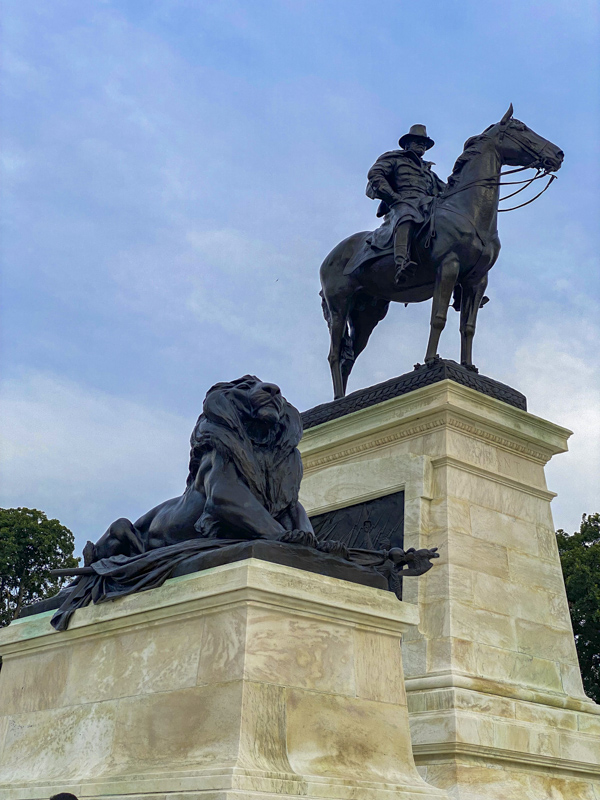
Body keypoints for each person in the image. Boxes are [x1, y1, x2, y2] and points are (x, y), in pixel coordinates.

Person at [366, 125, 446, 284]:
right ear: (407, 144)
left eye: (424, 142)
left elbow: (445, 190)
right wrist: (393, 196)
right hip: (401, 202)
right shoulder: (395, 159)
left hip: (426, 204)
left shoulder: (429, 172)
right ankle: (401, 264)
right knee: (407, 215)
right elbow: (375, 174)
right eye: (417, 141)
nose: (421, 144)